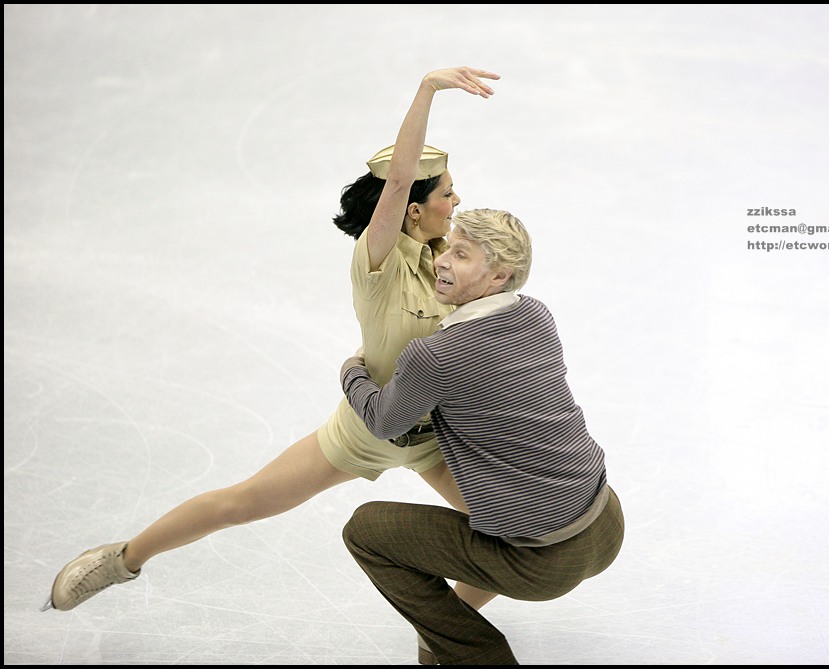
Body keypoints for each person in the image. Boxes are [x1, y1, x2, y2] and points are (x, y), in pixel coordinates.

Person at [44, 67, 503, 654]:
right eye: (445, 193)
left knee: (511, 533)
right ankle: (121, 558)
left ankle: (443, 626)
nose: (457, 200)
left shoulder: (450, 255)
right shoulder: (379, 263)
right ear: (413, 209)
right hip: (365, 429)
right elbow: (393, 190)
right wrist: (427, 91)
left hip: (434, 438)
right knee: (244, 502)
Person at [339, 208, 626, 665]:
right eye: (447, 247)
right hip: (607, 522)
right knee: (489, 523)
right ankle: (438, 641)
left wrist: (354, 369)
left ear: (498, 276)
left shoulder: (436, 355)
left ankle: (478, 655)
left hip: (543, 563)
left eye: (461, 254)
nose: (441, 261)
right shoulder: (536, 315)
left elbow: (383, 420)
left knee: (366, 531)